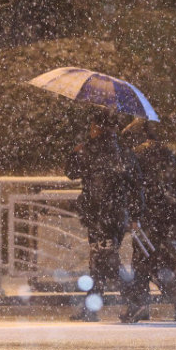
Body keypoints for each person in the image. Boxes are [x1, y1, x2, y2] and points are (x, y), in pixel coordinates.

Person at [66, 109, 144, 321]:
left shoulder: (89, 150)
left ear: (97, 128)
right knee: (100, 261)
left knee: (106, 261)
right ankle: (92, 307)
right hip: (118, 215)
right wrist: (135, 215)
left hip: (98, 214)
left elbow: (71, 172)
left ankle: (133, 301)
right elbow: (137, 185)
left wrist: (75, 152)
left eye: (93, 126)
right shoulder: (125, 152)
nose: (91, 131)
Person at [119, 118, 176, 323]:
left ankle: (140, 304)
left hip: (148, 215)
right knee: (172, 260)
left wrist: (133, 214)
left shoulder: (135, 156)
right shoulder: (168, 153)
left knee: (142, 260)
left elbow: (133, 188)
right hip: (170, 216)